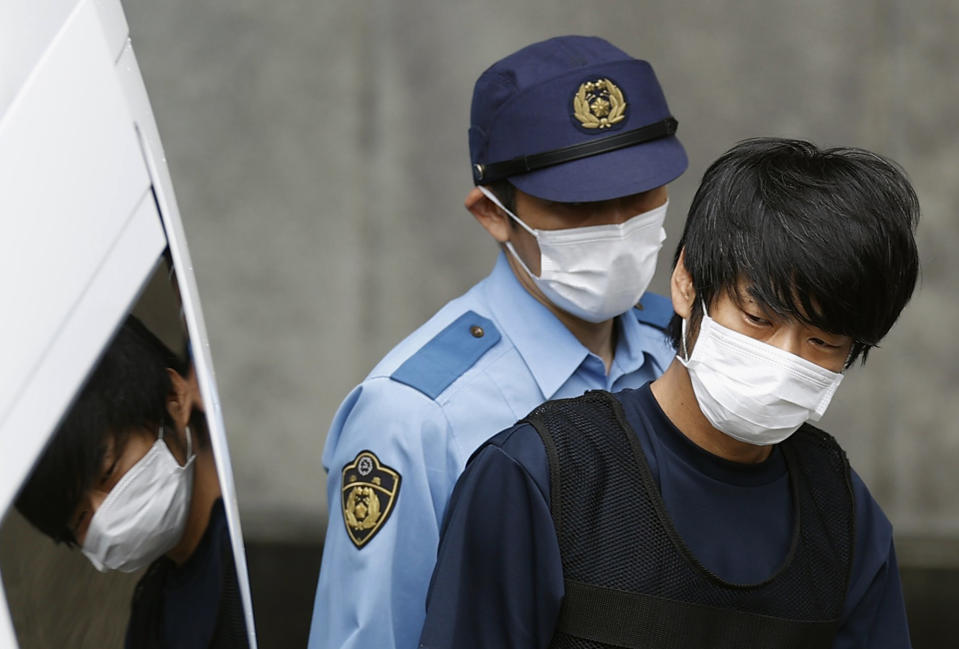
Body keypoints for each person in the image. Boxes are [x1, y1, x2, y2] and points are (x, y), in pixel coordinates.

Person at [419, 138, 920, 649]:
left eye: (823, 341)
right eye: (757, 319)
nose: (784, 358)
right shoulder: (542, 477)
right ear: (686, 282)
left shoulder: (841, 512)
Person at [308, 35, 689, 649]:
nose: (618, 225)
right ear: (491, 214)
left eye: (640, 194)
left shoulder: (684, 349)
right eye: (580, 204)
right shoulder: (414, 416)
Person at [15, 317, 249, 649]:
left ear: (173, 398)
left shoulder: (259, 536)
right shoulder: (151, 621)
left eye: (108, 472)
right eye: (81, 519)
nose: (105, 516)